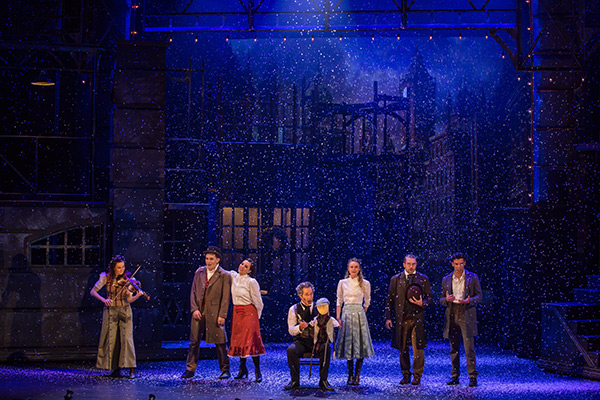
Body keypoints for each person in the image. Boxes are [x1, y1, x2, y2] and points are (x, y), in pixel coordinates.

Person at [181, 246, 232, 379]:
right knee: (194, 342)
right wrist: (194, 309)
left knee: (220, 342)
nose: (208, 261)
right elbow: (192, 292)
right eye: (206, 258)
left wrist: (222, 315)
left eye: (211, 259)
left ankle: (225, 369)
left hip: (215, 312)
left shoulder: (224, 275)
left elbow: (226, 297)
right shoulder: (199, 272)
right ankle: (190, 369)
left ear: (217, 260)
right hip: (199, 311)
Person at [90, 255, 144, 379]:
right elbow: (93, 292)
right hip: (110, 310)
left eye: (123, 267)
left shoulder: (129, 280)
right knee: (111, 339)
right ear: (113, 268)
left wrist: (138, 295)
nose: (122, 270)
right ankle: (115, 368)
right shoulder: (106, 277)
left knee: (127, 340)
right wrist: (104, 300)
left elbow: (129, 299)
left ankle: (131, 369)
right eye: (119, 268)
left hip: (124, 310)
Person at [385, 254, 432, 386]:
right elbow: (390, 299)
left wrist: (423, 302)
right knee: (403, 347)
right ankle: (406, 374)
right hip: (402, 318)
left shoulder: (423, 279)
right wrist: (388, 317)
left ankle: (417, 375)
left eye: (414, 264)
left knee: (418, 348)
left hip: (416, 318)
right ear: (404, 264)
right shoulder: (396, 279)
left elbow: (429, 297)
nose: (411, 267)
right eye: (409, 264)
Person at [284, 282, 338, 392]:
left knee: (326, 348)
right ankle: (294, 381)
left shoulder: (320, 308)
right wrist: (300, 327)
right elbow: (291, 330)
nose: (310, 297)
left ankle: (323, 381)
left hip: (317, 342)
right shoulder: (294, 309)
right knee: (291, 350)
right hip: (302, 342)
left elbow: (330, 322)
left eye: (311, 294)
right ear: (300, 296)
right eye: (307, 294)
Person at [440, 252, 483, 387]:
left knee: (469, 347)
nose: (459, 267)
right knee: (454, 347)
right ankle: (455, 375)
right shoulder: (446, 279)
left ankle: (472, 376)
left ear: (465, 263)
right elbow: (441, 299)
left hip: (466, 313)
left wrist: (470, 301)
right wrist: (446, 300)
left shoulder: (472, 277)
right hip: (452, 313)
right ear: (452, 264)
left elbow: (479, 296)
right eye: (456, 264)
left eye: (461, 263)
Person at [335, 257, 374, 385]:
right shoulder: (342, 282)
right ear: (348, 268)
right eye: (351, 267)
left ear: (359, 269)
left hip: (359, 314)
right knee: (349, 345)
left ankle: (357, 375)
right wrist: (338, 318)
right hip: (346, 314)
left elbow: (367, 301)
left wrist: (361, 313)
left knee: (360, 344)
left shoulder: (365, 283)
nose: (353, 269)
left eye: (356, 267)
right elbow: (339, 301)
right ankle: (350, 375)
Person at [228, 258, 266, 382]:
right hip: (237, 312)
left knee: (251, 340)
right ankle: (242, 369)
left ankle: (257, 370)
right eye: (242, 264)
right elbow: (221, 271)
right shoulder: (234, 276)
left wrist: (257, 315)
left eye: (246, 266)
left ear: (249, 270)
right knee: (240, 340)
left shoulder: (251, 282)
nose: (242, 266)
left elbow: (257, 300)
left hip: (249, 312)